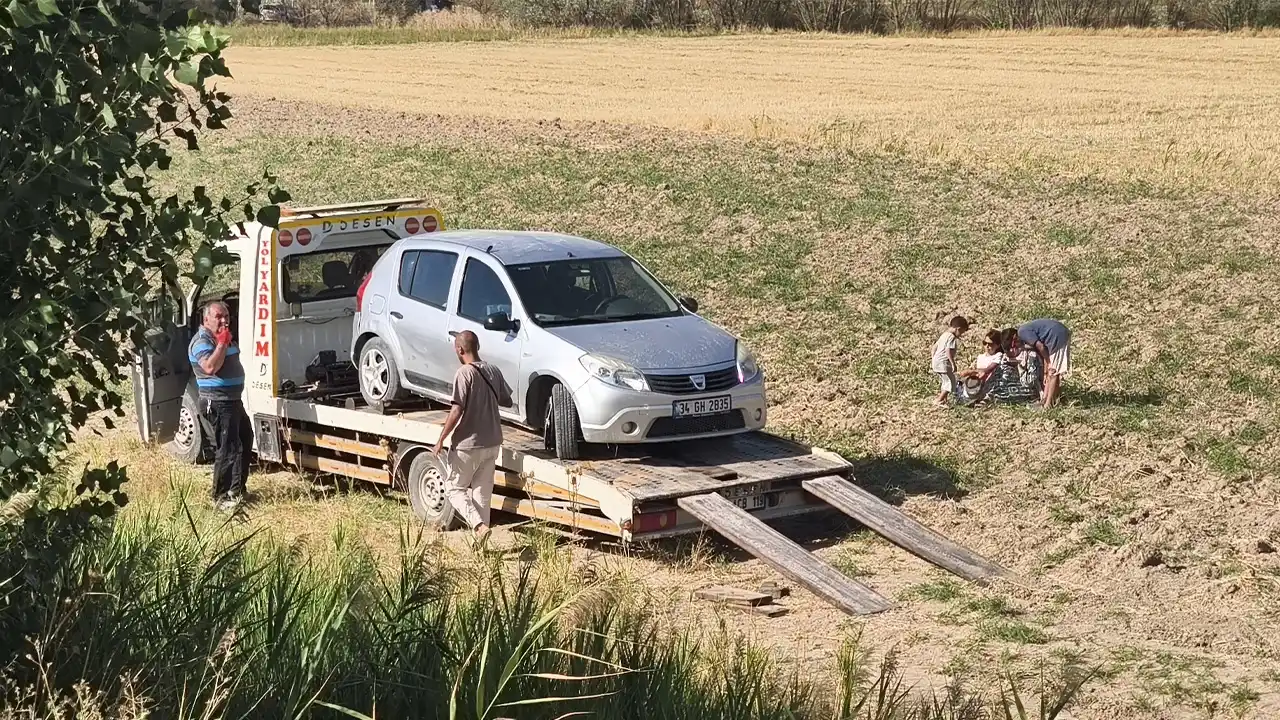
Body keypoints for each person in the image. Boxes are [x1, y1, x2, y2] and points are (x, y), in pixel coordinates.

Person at [432, 330, 513, 541]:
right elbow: (507, 401)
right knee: (482, 494)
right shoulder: (493, 370)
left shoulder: (463, 373)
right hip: (493, 441)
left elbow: (457, 410)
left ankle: (477, 526)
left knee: (453, 489)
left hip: (468, 445)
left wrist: (441, 438)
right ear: (477, 346)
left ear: (459, 349)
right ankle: (481, 543)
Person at [188, 301, 253, 511]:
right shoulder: (201, 341)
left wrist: (224, 341)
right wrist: (223, 343)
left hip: (233, 399)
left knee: (245, 440)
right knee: (227, 449)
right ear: (206, 319)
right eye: (219, 317)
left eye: (226, 316)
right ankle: (219, 497)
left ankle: (237, 490)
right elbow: (209, 367)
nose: (224, 320)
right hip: (218, 402)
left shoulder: (222, 337)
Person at [1017, 317, 1072, 408]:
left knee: (1053, 372)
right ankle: (1045, 400)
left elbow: (1041, 347)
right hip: (1054, 336)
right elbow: (1043, 351)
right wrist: (1046, 369)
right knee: (1049, 374)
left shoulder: (1022, 332)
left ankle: (1048, 404)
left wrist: (1048, 362)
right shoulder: (1026, 333)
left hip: (1057, 336)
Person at [930, 316, 970, 406]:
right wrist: (953, 363)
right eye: (962, 332)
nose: (961, 335)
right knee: (951, 382)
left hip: (936, 362)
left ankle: (944, 400)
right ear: (958, 329)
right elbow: (948, 351)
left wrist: (934, 358)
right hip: (944, 363)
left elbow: (934, 348)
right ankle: (939, 400)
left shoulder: (944, 335)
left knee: (945, 381)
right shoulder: (951, 337)